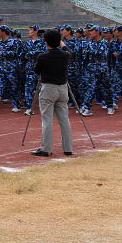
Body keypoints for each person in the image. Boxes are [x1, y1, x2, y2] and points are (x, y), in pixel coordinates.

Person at [31, 29, 74, 157]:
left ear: (46, 42)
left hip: (48, 88)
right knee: (64, 119)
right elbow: (68, 50)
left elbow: (36, 70)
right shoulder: (65, 55)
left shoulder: (42, 56)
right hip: (63, 88)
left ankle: (47, 148)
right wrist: (60, 42)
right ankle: (68, 148)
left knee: (47, 120)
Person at [0, 25, 20, 113]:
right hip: (1, 66)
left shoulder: (13, 42)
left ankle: (16, 105)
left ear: (3, 32)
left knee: (14, 86)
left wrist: (3, 53)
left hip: (10, 66)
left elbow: (15, 53)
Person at [23, 25, 47, 116]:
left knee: (43, 88)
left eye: (31, 30)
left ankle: (46, 107)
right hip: (30, 66)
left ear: (35, 31)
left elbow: (41, 53)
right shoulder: (28, 43)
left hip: (40, 67)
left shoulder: (42, 42)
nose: (29, 32)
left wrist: (30, 53)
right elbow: (24, 54)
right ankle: (29, 108)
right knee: (28, 87)